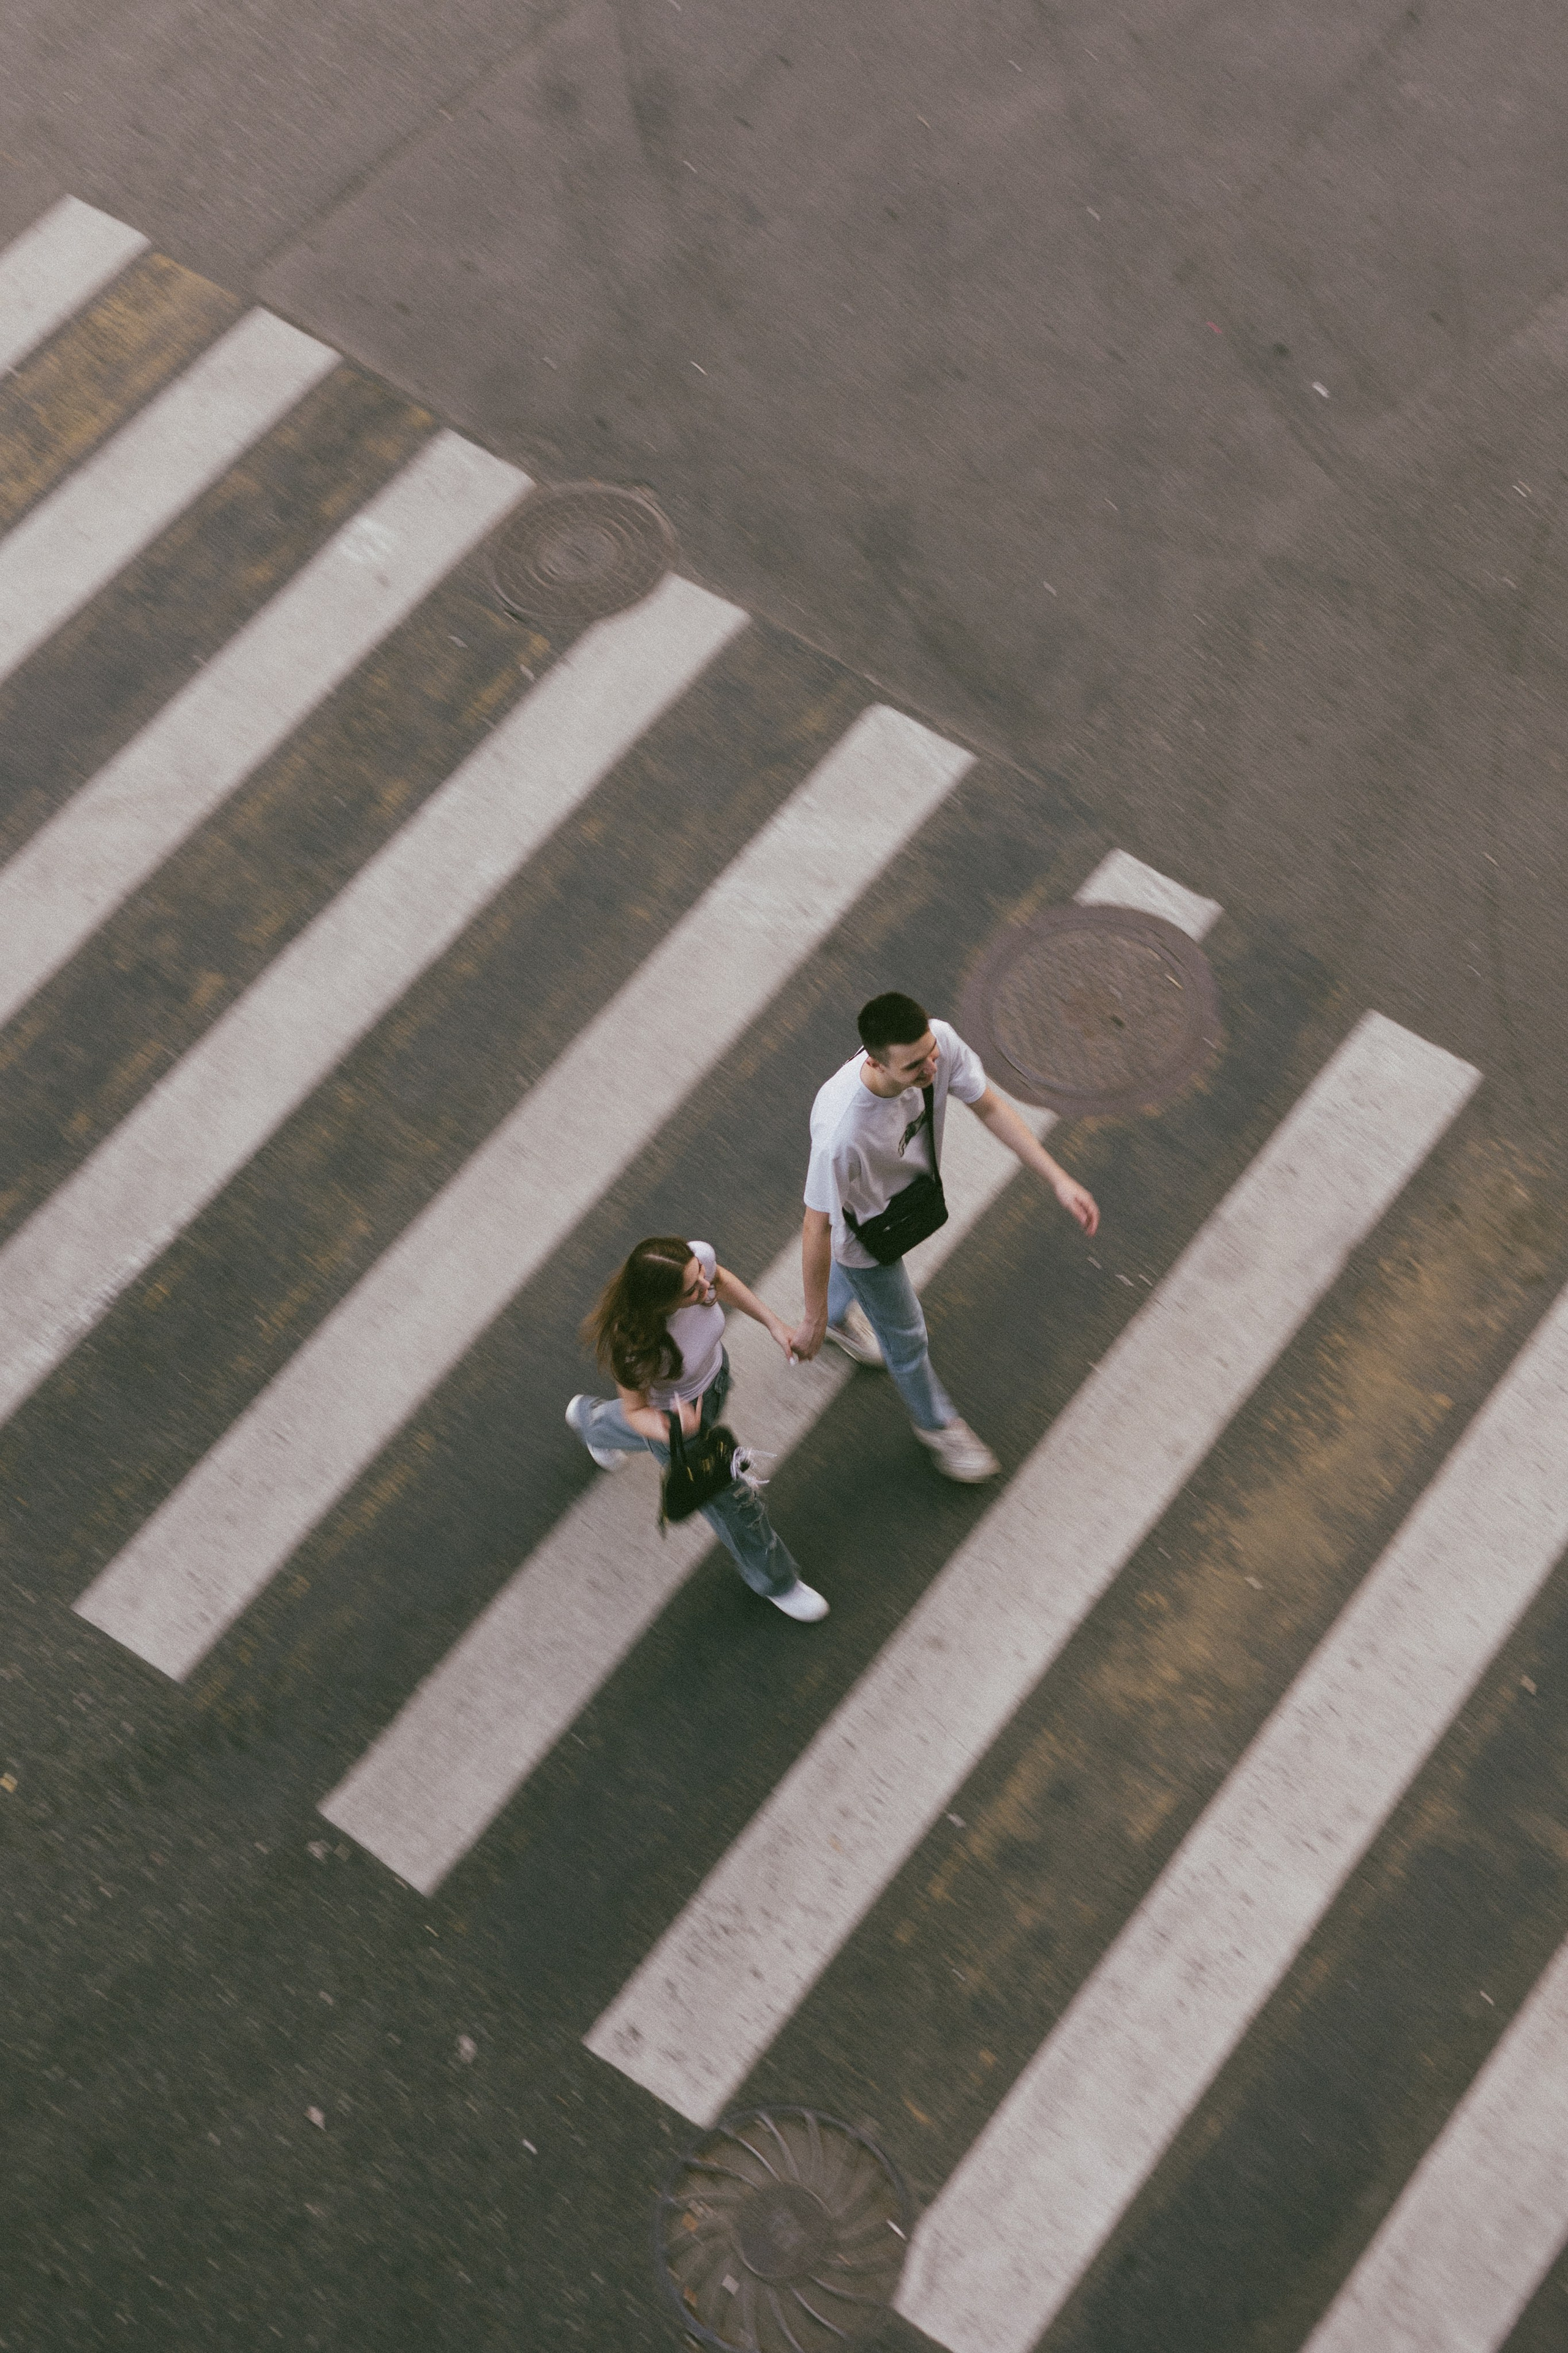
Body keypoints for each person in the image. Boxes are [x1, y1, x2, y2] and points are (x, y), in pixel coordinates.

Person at [790, 992, 1099, 1481]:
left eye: (931, 1052)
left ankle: (835, 1316)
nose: (931, 1067)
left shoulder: (940, 1043)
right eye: (914, 1066)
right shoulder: (840, 1130)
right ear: (874, 1061)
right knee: (907, 1334)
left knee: (866, 1305)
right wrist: (807, 1319)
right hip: (864, 1237)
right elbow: (817, 1223)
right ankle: (937, 1426)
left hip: (903, 1200)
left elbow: (990, 1105)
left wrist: (1057, 1178)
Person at [567, 1235, 829, 1621]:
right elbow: (638, 1410)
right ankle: (777, 1582)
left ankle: (591, 1422)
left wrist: (774, 1325)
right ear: (662, 1305)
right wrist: (676, 1429)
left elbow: (722, 1281)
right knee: (734, 1505)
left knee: (622, 1424)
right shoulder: (636, 1346)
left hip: (716, 1381)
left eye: (701, 1274)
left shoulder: (698, 1264)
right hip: (673, 1421)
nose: (707, 1288)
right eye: (693, 1290)